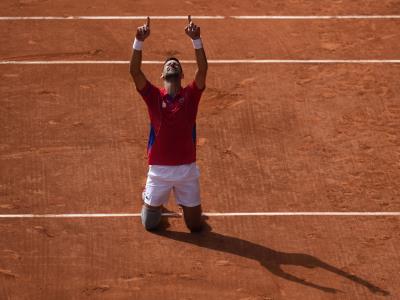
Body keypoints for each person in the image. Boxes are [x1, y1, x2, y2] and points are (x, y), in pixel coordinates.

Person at [129, 15, 208, 232]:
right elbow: (135, 72)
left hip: (187, 170)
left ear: (181, 74)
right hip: (159, 171)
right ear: (163, 75)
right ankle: (150, 199)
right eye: (168, 64)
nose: (171, 63)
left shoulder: (191, 95)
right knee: (150, 224)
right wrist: (139, 41)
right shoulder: (153, 96)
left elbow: (202, 71)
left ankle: (186, 208)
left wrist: (196, 40)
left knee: (195, 226)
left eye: (176, 64)